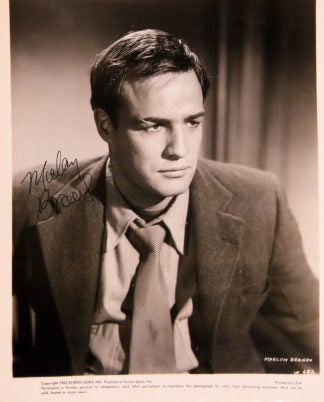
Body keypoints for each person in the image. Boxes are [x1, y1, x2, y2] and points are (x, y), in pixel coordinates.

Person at [12, 29, 319, 377]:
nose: (179, 149)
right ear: (105, 126)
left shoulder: (261, 199)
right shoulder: (28, 198)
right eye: (153, 126)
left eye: (192, 122)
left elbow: (309, 333)